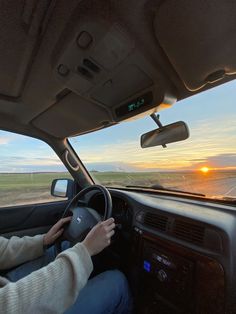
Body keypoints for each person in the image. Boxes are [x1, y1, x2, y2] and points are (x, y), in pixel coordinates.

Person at [0, 217, 132, 313]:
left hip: (5, 286)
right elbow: (10, 304)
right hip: (11, 304)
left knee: (65, 247)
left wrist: (43, 241)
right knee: (117, 281)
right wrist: (84, 251)